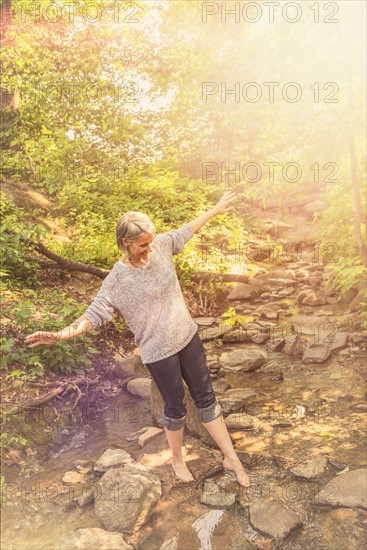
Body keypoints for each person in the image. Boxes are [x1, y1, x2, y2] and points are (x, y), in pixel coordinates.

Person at [25, 191, 250, 486]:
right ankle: (177, 460)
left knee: (206, 398)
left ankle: (230, 457)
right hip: (159, 352)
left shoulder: (163, 246)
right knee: (176, 408)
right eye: (143, 244)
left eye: (151, 240)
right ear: (126, 244)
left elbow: (186, 230)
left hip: (188, 337)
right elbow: (93, 315)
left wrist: (215, 210)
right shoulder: (117, 280)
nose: (149, 247)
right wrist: (60, 335)